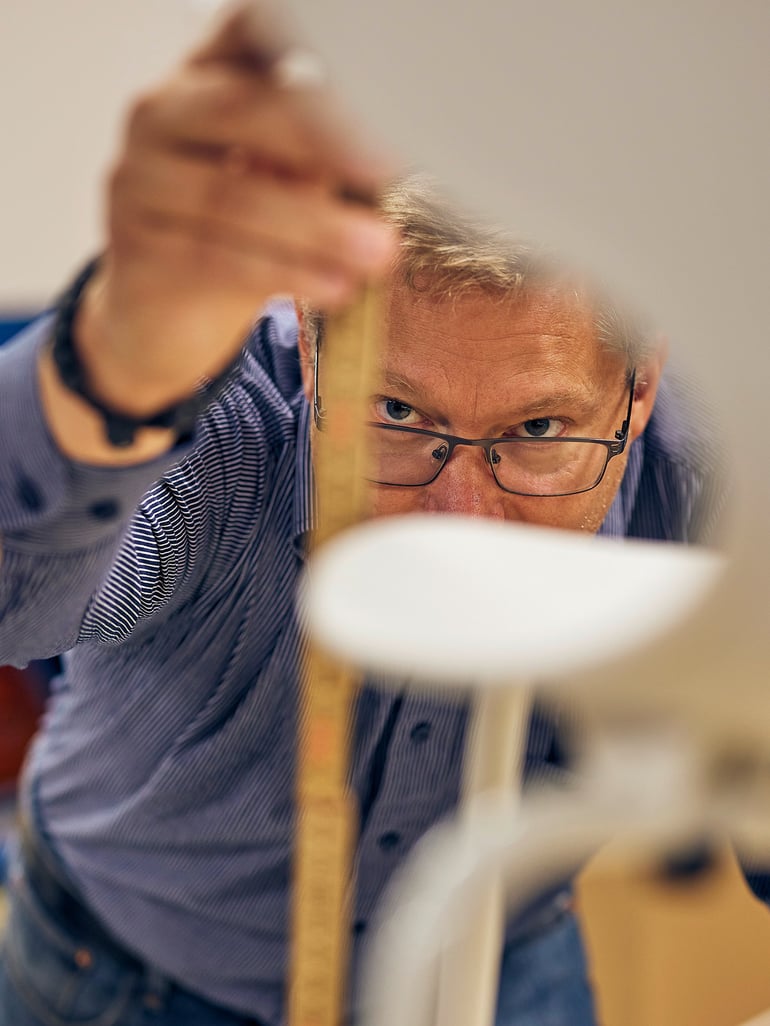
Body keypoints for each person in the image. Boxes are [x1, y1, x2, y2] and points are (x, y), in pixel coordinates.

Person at [0, 6, 723, 1026]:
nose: (456, 519)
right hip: (129, 970)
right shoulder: (224, 418)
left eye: (536, 428)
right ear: (305, 336)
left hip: (499, 964)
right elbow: (14, 608)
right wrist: (107, 366)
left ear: (639, 388)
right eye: (395, 413)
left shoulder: (720, 474)